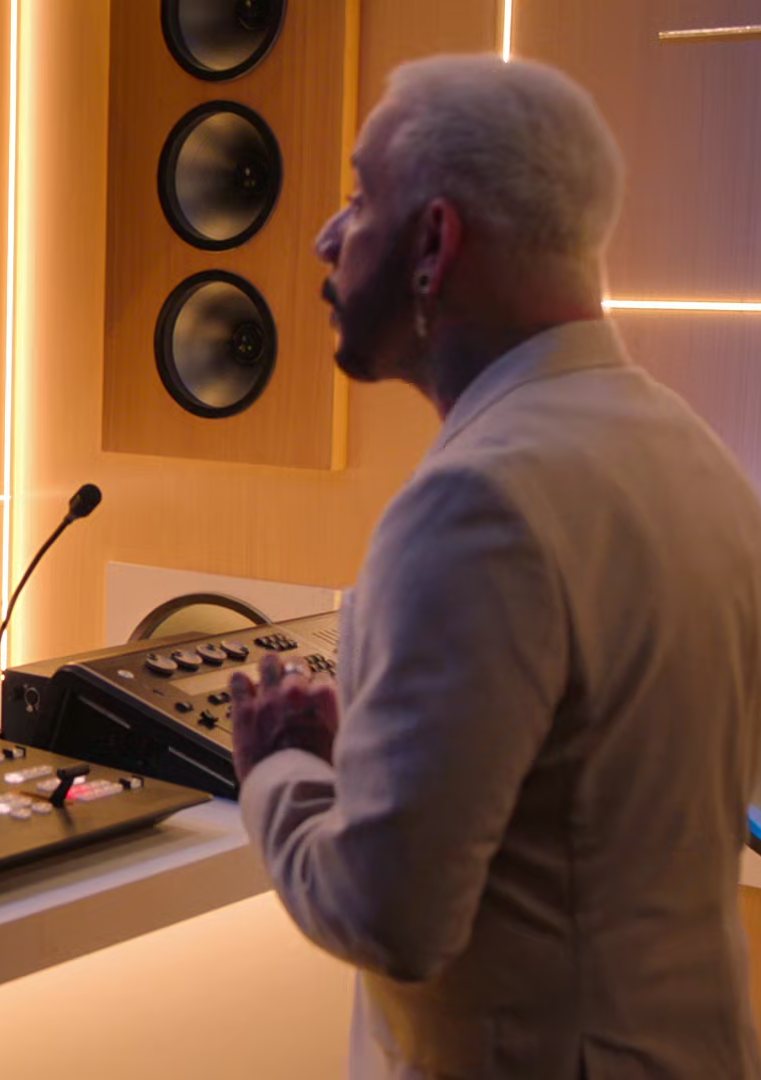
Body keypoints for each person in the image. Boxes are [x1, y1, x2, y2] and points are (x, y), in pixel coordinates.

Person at [226, 55, 761, 1079]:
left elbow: (390, 916)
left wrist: (282, 767)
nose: (327, 237)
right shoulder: (692, 453)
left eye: (359, 198)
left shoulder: (475, 504)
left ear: (435, 243)